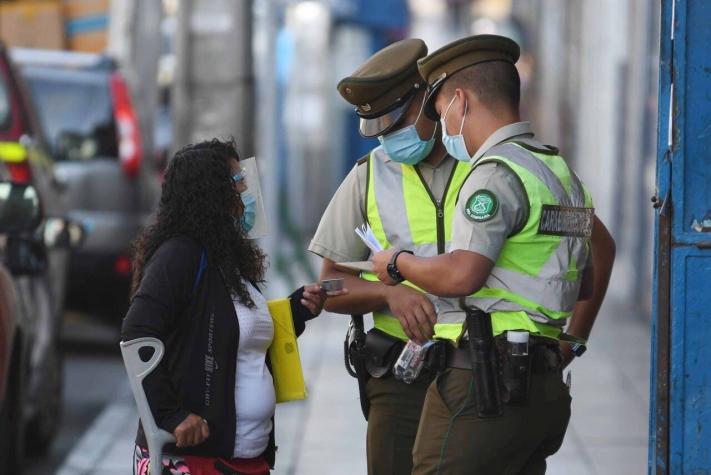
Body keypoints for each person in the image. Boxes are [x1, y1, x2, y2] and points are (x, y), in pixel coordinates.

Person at [371, 35, 616, 474]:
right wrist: (572, 341)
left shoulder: (494, 174)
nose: (441, 126)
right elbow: (587, 281)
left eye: (441, 108)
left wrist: (396, 263)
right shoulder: (558, 172)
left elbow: (464, 275)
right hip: (542, 388)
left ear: (460, 101)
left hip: (484, 386)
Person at [122, 138, 345, 475]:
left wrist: (296, 310)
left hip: (245, 461)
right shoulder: (180, 254)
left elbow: (237, 335)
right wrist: (170, 414)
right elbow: (138, 331)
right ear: (211, 194)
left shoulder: (228, 261)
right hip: (193, 460)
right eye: (238, 182)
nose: (247, 192)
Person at [308, 38, 470, 474]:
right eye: (377, 126)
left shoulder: (485, 166)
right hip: (402, 375)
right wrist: (387, 296)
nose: (388, 135)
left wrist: (573, 339)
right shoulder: (369, 174)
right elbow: (328, 285)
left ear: (430, 99)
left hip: (478, 370)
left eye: (396, 119)